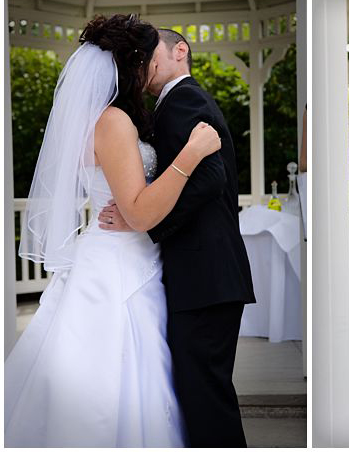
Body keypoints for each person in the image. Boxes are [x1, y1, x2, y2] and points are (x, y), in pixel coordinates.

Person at [6, 14, 221, 447]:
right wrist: (192, 154)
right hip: (122, 262)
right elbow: (140, 213)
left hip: (115, 253)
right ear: (133, 64)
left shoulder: (99, 119)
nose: (154, 68)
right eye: (148, 60)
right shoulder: (114, 122)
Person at [98, 27, 257, 447]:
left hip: (205, 275)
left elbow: (208, 177)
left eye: (150, 55)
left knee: (205, 394)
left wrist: (143, 221)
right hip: (201, 275)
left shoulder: (185, 99)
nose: (143, 65)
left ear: (179, 51)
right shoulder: (169, 107)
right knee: (199, 390)